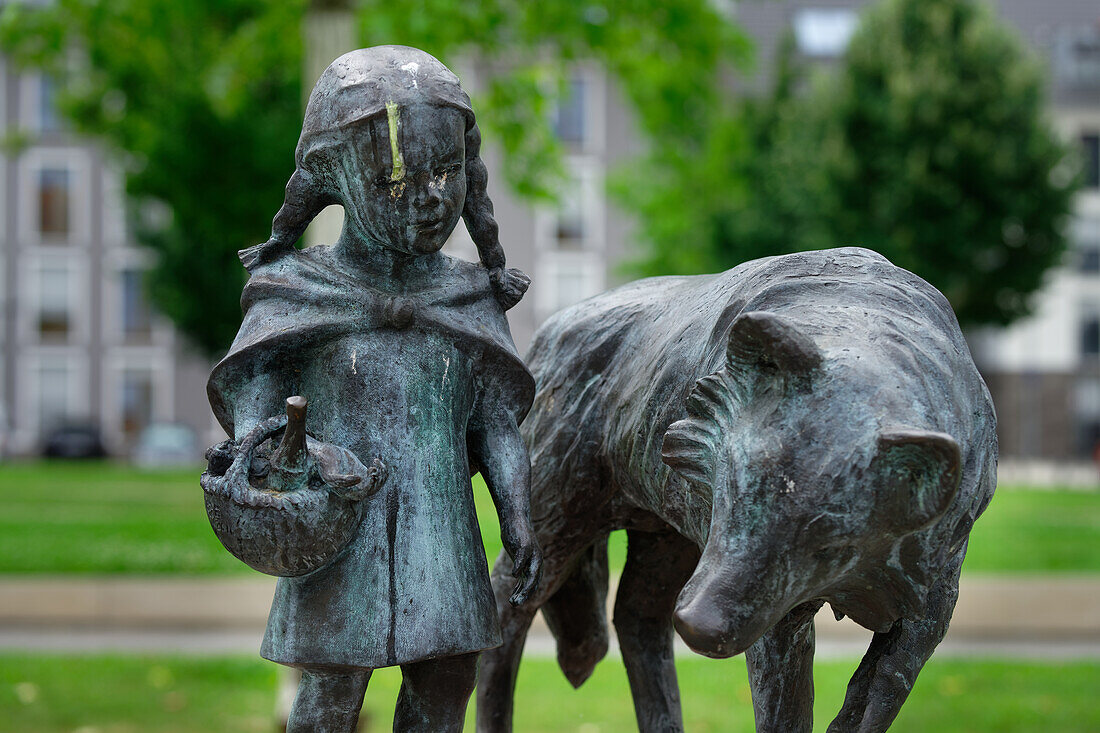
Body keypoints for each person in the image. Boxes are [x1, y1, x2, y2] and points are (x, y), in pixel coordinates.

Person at [204, 46, 541, 732]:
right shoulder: (298, 289)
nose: (430, 196)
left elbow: (494, 420)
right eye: (398, 179)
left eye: (447, 172)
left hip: (440, 535)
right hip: (337, 532)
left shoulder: (467, 295)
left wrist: (518, 517)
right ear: (334, 175)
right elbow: (256, 387)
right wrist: (257, 448)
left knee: (447, 688)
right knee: (330, 695)